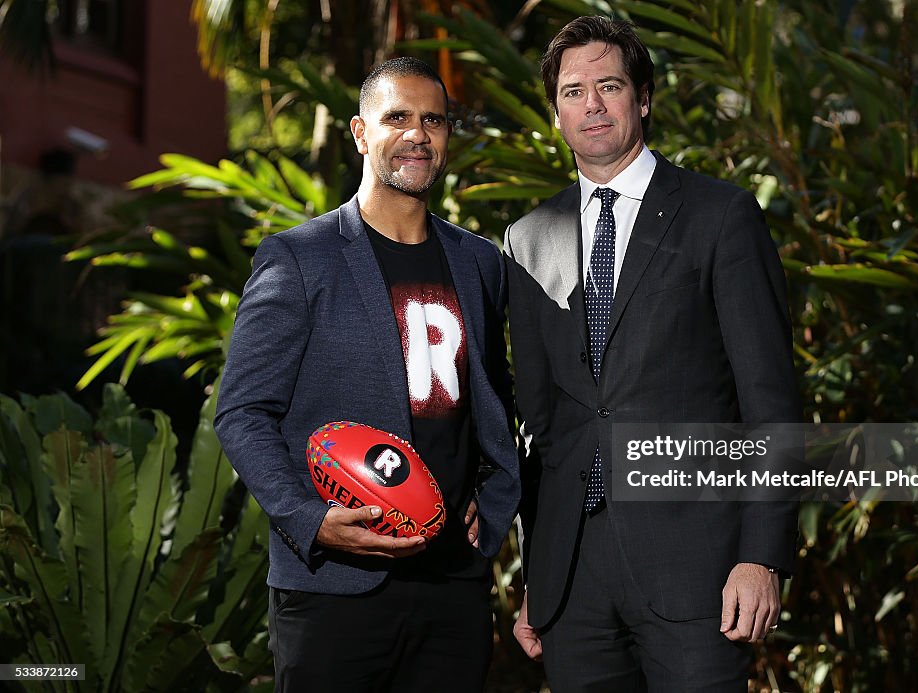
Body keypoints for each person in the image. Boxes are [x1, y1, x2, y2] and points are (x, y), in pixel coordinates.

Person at [504, 16, 801, 692]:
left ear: (643, 99)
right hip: (574, 581)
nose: (592, 105)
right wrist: (538, 573)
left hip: (700, 571)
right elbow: (540, 427)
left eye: (609, 85)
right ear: (556, 114)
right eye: (574, 91)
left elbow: (770, 405)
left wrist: (763, 557)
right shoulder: (527, 239)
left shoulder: (721, 217)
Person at [215, 57, 520, 693]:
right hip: (334, 589)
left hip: (452, 585)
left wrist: (492, 509)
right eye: (398, 118)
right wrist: (307, 518)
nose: (418, 134)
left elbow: (495, 402)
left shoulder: (480, 262)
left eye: (433, 120)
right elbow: (242, 411)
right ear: (360, 132)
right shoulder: (299, 257)